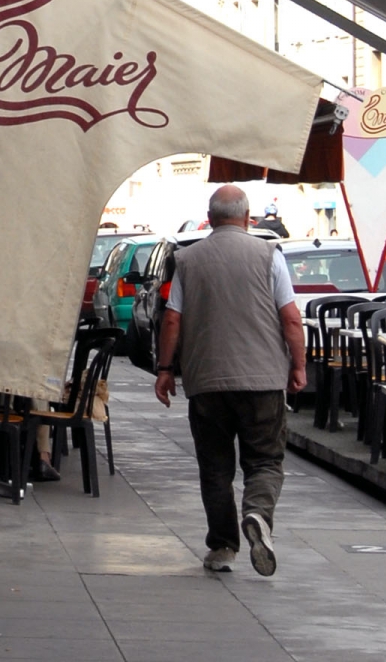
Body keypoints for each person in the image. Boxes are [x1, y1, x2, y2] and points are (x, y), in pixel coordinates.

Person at [155, 185, 307, 576]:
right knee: (266, 460)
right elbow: (290, 317)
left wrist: (165, 369)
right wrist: (298, 366)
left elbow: (173, 318)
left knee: (216, 469)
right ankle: (256, 512)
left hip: (207, 382)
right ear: (246, 215)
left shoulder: (187, 259)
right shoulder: (269, 254)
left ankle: (222, 547)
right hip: (262, 380)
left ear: (210, 216)